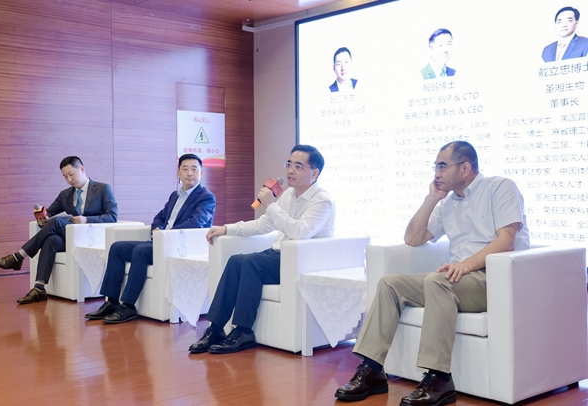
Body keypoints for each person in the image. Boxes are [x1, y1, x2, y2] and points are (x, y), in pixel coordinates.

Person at [335, 141, 530, 405]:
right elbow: (413, 238)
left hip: (493, 279)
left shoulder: (499, 187)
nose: (436, 173)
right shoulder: (447, 203)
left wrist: (467, 264)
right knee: (390, 284)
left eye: (442, 166)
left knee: (438, 281)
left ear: (465, 168)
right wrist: (432, 199)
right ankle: (372, 370)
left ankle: (439, 378)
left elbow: (507, 240)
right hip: (456, 279)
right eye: (435, 167)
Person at [189, 145, 335, 354]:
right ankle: (216, 328)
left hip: (302, 261)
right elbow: (264, 224)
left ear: (314, 173)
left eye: (298, 166)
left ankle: (243, 332)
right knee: (236, 260)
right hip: (278, 255)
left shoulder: (322, 201)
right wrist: (228, 228)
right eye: (289, 164)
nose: (290, 170)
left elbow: (300, 232)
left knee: (251, 263)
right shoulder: (288, 195)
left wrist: (271, 205)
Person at [85, 153, 216, 324]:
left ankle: (128, 306)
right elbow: (160, 216)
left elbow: (196, 223)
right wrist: (157, 228)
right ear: (178, 173)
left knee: (140, 251)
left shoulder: (206, 197)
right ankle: (112, 302)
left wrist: (165, 234)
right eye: (185, 169)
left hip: (179, 246)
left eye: (194, 169)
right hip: (160, 241)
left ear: (201, 173)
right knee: (117, 247)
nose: (190, 173)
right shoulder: (175, 195)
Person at [0, 156, 118, 304]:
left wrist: (86, 219)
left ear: (82, 169)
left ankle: (19, 256)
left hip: (91, 238)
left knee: (57, 222)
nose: (69, 179)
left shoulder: (102, 189)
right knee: (52, 239)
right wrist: (43, 219)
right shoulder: (65, 194)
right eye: (65, 177)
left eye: (71, 174)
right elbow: (49, 213)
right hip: (70, 238)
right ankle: (39, 288)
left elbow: (112, 216)